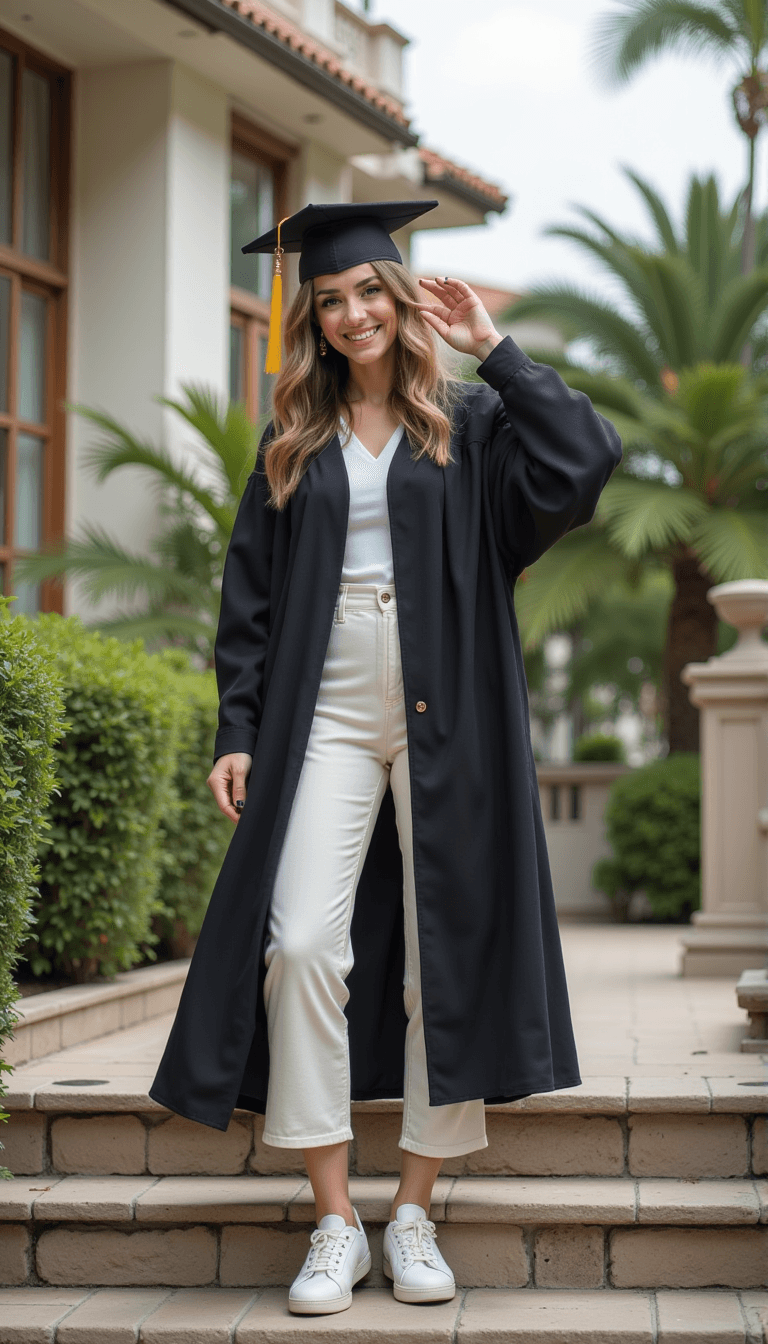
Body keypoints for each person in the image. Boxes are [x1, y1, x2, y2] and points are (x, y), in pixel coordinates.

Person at [148, 199, 623, 1316]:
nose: (352, 313)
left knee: (437, 952)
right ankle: (332, 1219)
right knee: (302, 942)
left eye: (368, 293)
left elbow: (588, 458)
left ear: (402, 301)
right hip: (325, 705)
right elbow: (249, 603)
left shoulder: (470, 422)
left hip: (449, 699)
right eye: (331, 300)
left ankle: (411, 1210)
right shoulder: (293, 443)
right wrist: (237, 727)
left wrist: (497, 353)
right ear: (313, 319)